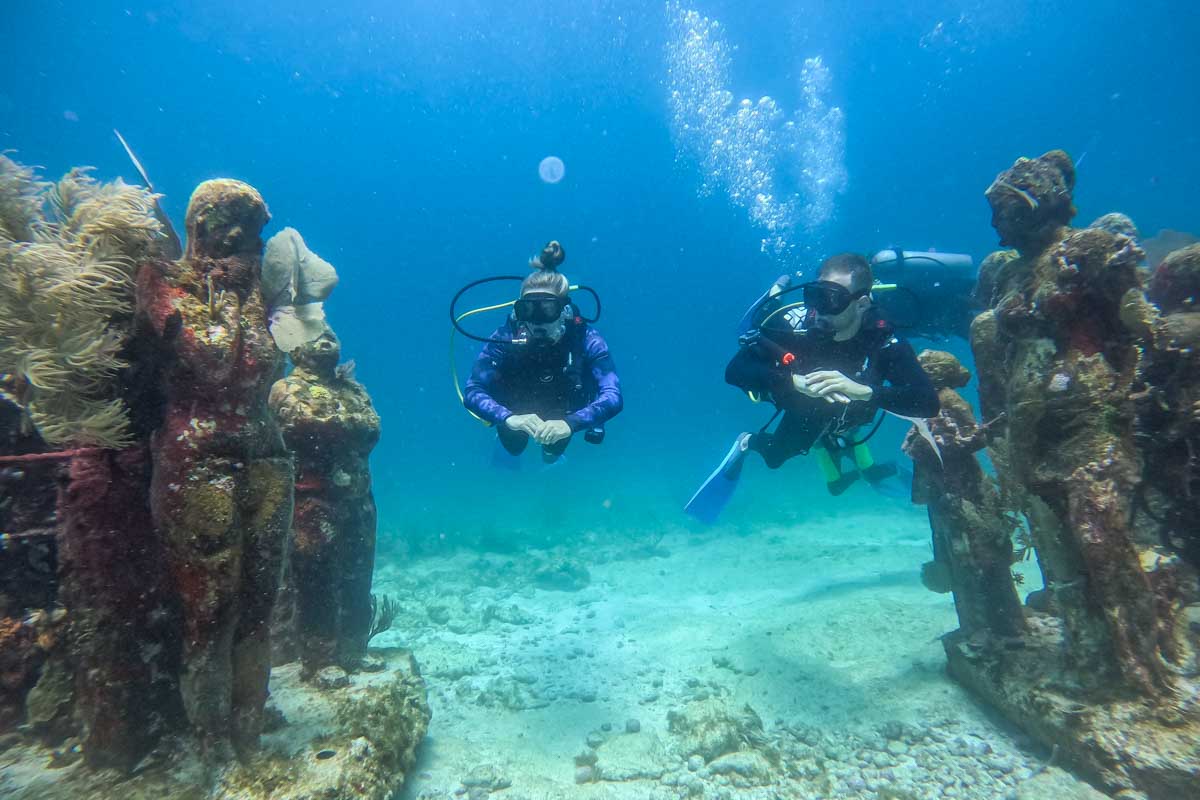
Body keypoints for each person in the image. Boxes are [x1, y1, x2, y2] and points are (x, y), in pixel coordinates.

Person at [686, 253, 939, 522]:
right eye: (815, 295)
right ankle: (746, 442)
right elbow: (735, 371)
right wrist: (791, 382)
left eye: (832, 299)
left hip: (848, 410)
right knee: (775, 457)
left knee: (848, 426)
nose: (818, 310)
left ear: (862, 303)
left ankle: (841, 440)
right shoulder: (794, 325)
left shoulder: (882, 337)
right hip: (803, 403)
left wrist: (864, 391)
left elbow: (927, 402)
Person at [463, 242, 623, 463]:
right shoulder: (505, 337)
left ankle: (552, 464)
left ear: (564, 311)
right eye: (527, 310)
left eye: (547, 310)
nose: (537, 321)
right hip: (515, 411)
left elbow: (613, 395)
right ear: (518, 311)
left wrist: (570, 424)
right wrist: (508, 418)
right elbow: (473, 389)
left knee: (552, 454)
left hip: (563, 413)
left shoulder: (584, 338)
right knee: (514, 447)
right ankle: (509, 450)